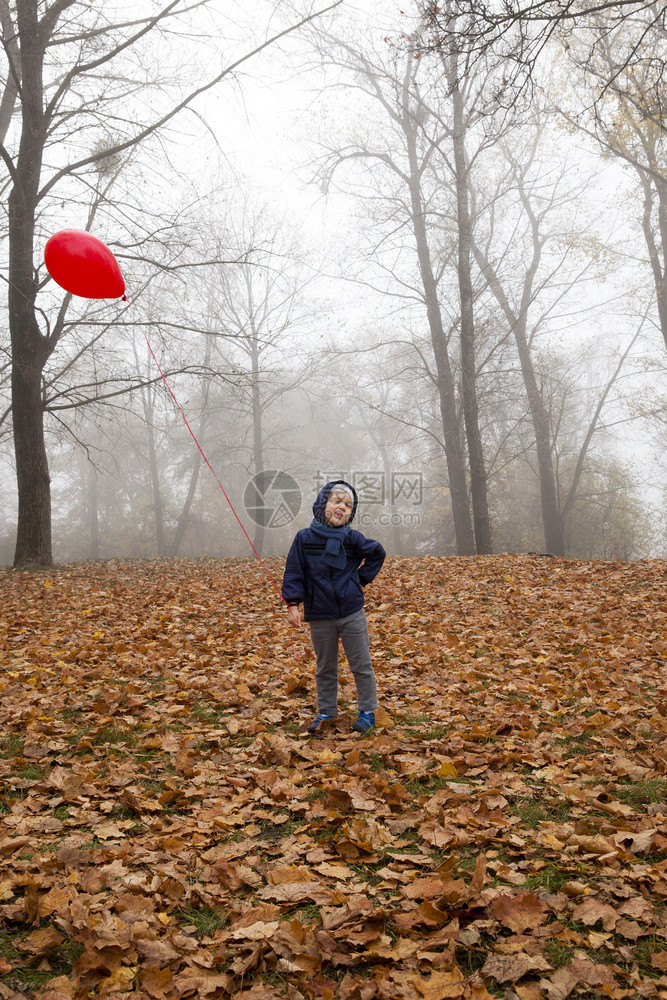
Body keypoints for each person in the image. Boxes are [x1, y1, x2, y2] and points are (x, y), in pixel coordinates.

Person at [282, 480, 386, 734]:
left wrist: (358, 580)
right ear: (322, 504)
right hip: (320, 615)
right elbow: (294, 572)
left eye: (348, 505)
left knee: (361, 664)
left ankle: (368, 710)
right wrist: (293, 604)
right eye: (337, 501)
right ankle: (326, 710)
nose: (342, 507)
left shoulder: (352, 538)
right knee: (325, 666)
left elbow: (377, 553)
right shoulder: (304, 539)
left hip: (351, 612)